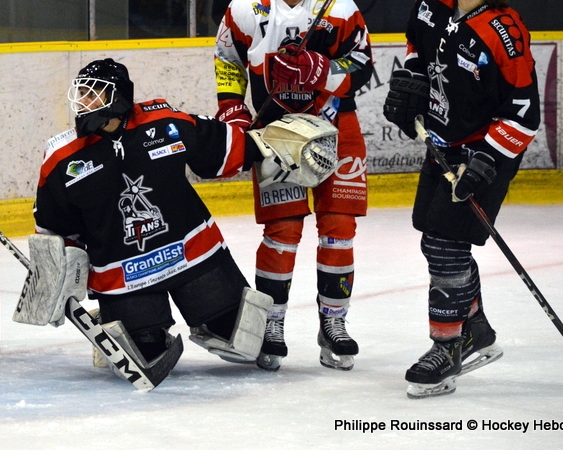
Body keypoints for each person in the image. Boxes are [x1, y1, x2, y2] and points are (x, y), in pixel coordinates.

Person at [32, 58, 337, 382]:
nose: (84, 102)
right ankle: (110, 317)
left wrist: (262, 146)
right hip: (123, 275)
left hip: (194, 255)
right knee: (145, 351)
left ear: (119, 98)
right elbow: (54, 227)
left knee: (243, 339)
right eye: (82, 94)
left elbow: (219, 146)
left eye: (95, 94)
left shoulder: (163, 124)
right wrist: (59, 272)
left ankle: (160, 317)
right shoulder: (62, 159)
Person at [383, 0, 540, 398]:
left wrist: (486, 159)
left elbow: (525, 113)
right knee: (433, 240)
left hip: (485, 152)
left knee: (446, 244)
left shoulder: (504, 32)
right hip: (443, 143)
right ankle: (477, 328)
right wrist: (410, 81)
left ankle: (447, 347)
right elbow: (417, 45)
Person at [213, 0, 374, 372]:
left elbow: (362, 63)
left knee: (339, 228)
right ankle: (272, 325)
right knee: (282, 233)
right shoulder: (247, 5)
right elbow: (227, 58)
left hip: (335, 126)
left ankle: (333, 325)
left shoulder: (338, 5)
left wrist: (321, 68)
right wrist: (233, 110)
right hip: (277, 131)